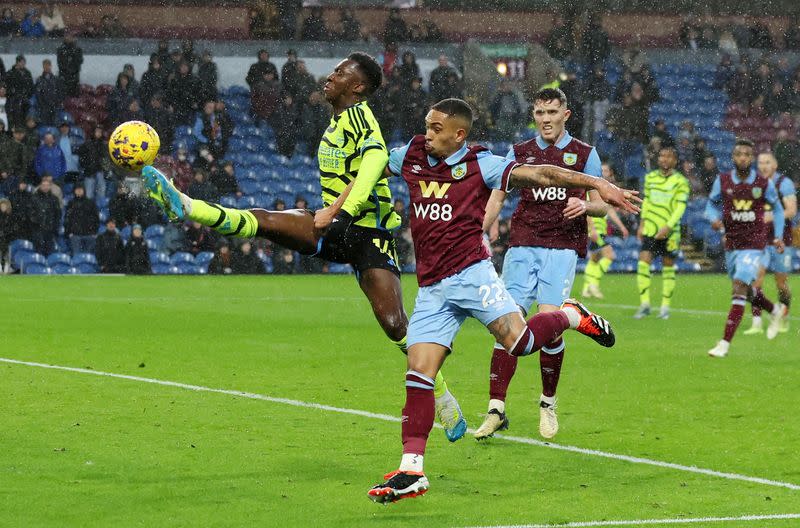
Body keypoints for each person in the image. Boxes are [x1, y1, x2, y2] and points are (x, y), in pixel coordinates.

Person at [141, 53, 467, 440]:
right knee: (263, 221)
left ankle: (444, 398)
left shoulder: (363, 118)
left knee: (396, 325)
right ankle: (187, 205)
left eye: (340, 72)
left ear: (357, 86)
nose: (330, 76)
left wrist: (342, 214)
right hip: (332, 224)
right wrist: (334, 216)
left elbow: (374, 163)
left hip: (367, 233)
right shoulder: (336, 120)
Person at [366, 98, 639, 502]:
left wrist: (597, 183)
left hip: (474, 276)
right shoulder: (410, 154)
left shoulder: (485, 164)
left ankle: (568, 314)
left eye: (436, 128)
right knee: (418, 374)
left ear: (459, 134)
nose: (427, 133)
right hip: (433, 288)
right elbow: (370, 162)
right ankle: (412, 471)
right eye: (426, 125)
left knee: (522, 343)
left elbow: (543, 173)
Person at [476, 88, 609, 441]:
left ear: (566, 113)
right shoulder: (520, 153)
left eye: (552, 112)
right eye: (539, 112)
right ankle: (496, 409)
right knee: (506, 326)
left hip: (562, 247)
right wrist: (481, 230)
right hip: (521, 245)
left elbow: (603, 203)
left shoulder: (584, 154)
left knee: (548, 325)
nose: (546, 119)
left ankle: (548, 403)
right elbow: (498, 195)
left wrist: (586, 207)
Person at [705, 139, 788, 358]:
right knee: (747, 290)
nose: (743, 157)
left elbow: (778, 209)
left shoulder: (762, 184)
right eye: (739, 154)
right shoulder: (722, 181)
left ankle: (724, 343)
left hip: (755, 244)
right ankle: (775, 310)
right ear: (733, 157)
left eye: (746, 154)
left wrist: (778, 236)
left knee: (740, 285)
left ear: (751, 158)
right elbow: (710, 205)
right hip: (732, 243)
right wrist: (713, 218)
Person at [633, 146, 690, 320]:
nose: (665, 159)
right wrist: (642, 224)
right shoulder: (650, 178)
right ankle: (645, 304)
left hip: (670, 232)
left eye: (669, 156)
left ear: (675, 161)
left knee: (667, 267)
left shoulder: (681, 181)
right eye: (662, 156)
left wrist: (669, 227)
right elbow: (647, 202)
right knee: (643, 263)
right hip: (650, 229)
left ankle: (665, 307)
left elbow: (680, 207)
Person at [743, 153, 796, 336]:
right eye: (760, 163)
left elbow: (791, 210)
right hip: (759, 240)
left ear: (775, 165)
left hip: (781, 239)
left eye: (767, 162)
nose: (763, 166)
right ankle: (756, 322)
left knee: (781, 282)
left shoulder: (784, 183)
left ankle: (783, 315)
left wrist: (771, 216)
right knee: (755, 280)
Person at [581, 163, 630, 298]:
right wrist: (592, 229)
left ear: (610, 173)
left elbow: (610, 212)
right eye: (601, 170)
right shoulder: (591, 188)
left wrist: (622, 227)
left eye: (606, 170)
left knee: (595, 259)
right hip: (594, 230)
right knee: (609, 256)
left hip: (600, 229)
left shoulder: (606, 190)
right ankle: (594, 284)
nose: (603, 172)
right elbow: (585, 208)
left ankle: (586, 289)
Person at [64, 184, 99, 255]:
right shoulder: (71, 204)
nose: (79, 191)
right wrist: (69, 233)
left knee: (88, 256)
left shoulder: (91, 203)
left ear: (84, 191)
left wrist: (94, 232)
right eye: (77, 189)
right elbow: (67, 219)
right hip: (75, 234)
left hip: (89, 234)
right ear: (74, 191)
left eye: (81, 189)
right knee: (76, 255)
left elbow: (96, 218)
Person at [30, 176, 61, 255]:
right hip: (38, 231)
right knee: (38, 254)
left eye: (47, 185)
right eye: (44, 185)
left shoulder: (54, 199)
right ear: (40, 186)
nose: (45, 187)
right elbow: (30, 213)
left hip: (50, 231)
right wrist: (37, 223)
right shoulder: (34, 198)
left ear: (50, 186)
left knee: (50, 254)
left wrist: (54, 226)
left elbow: (58, 215)